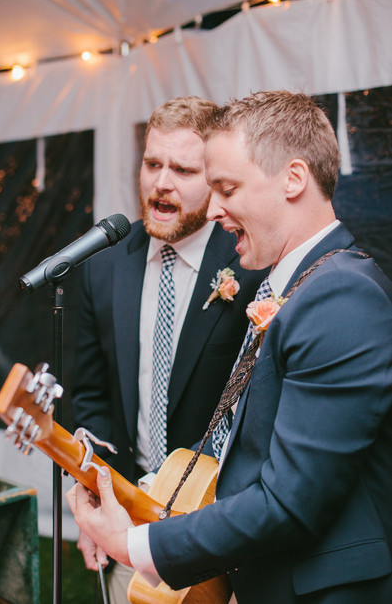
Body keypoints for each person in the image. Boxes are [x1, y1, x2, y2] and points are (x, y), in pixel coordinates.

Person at [67, 90, 392, 604]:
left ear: (293, 179)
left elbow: (289, 502)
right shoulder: (301, 283)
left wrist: (134, 543)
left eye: (227, 188)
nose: (214, 209)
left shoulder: (341, 296)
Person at [70, 96, 266, 602]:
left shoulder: (250, 262)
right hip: (131, 519)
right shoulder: (105, 263)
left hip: (223, 527)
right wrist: (100, 502)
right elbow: (91, 396)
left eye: (183, 170)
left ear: (216, 180)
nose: (161, 182)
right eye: (152, 163)